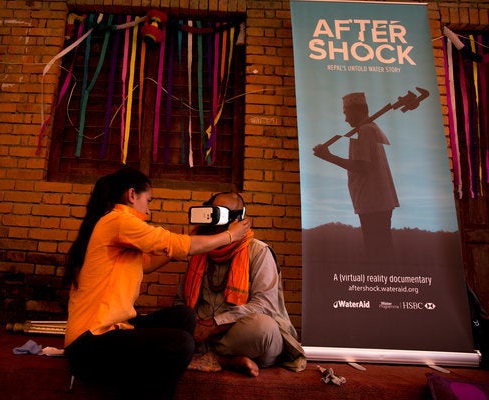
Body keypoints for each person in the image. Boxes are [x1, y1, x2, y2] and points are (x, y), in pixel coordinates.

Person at [63, 168, 251, 400]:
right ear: (132, 195)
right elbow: (174, 244)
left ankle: (145, 382)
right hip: (90, 344)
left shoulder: (114, 224)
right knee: (181, 343)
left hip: (115, 329)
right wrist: (230, 235)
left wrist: (195, 236)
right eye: (148, 200)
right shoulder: (119, 220)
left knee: (183, 316)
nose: (149, 208)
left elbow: (148, 264)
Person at [175, 192, 306, 377]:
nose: (214, 221)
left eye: (220, 214)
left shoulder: (258, 251)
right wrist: (194, 327)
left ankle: (208, 355)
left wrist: (213, 325)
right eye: (212, 213)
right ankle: (224, 360)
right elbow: (180, 302)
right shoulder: (200, 249)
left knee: (264, 329)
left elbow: (265, 306)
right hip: (203, 336)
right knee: (172, 324)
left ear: (237, 221)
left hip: (238, 335)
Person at [313, 92, 399, 261]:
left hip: (373, 203)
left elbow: (362, 167)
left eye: (346, 112)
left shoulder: (366, 130)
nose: (345, 118)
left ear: (357, 111)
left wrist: (328, 157)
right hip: (377, 201)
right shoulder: (371, 128)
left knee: (376, 252)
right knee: (382, 249)